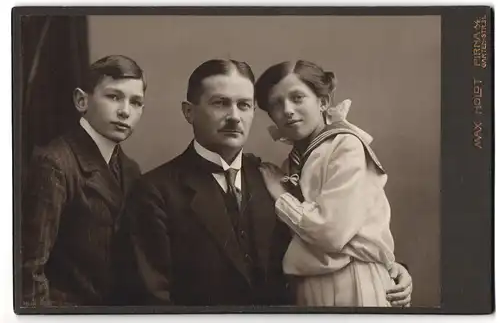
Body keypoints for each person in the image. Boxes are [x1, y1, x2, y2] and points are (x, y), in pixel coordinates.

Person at [117, 59, 412, 307]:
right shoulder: (155, 189)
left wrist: (390, 267)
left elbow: (332, 232)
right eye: (221, 103)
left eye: (244, 105)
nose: (234, 117)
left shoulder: (270, 177)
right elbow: (152, 297)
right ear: (189, 111)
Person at [255, 60, 408, 307]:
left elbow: (332, 233)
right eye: (276, 104)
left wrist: (280, 194)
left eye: (297, 98)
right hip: (308, 287)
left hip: (352, 282)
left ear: (323, 102)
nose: (288, 110)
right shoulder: (292, 163)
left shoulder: (346, 146)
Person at [21, 55, 146, 307]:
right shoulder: (55, 163)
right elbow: (30, 270)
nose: (125, 111)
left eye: (136, 102)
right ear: (81, 100)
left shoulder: (131, 169)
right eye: (113, 97)